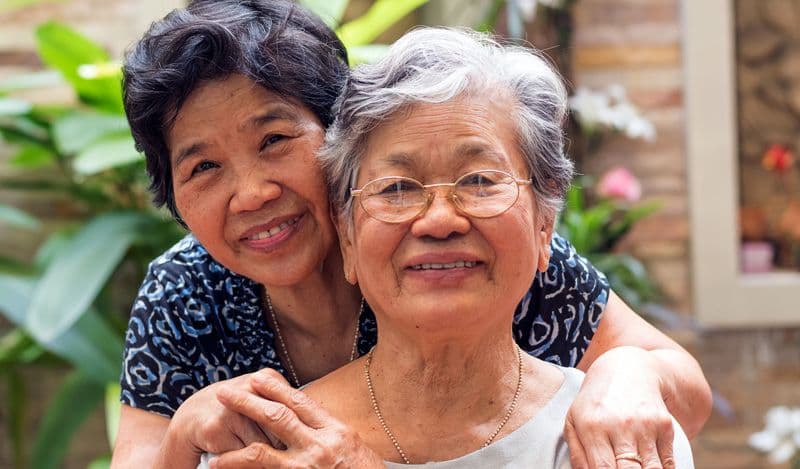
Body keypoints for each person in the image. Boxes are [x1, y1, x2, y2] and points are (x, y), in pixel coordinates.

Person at [111, 1, 711, 468]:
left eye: (274, 140)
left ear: (339, 137)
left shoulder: (492, 250)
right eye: (203, 167)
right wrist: (188, 430)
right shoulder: (184, 293)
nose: (252, 193)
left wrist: (626, 372)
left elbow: (679, 381)